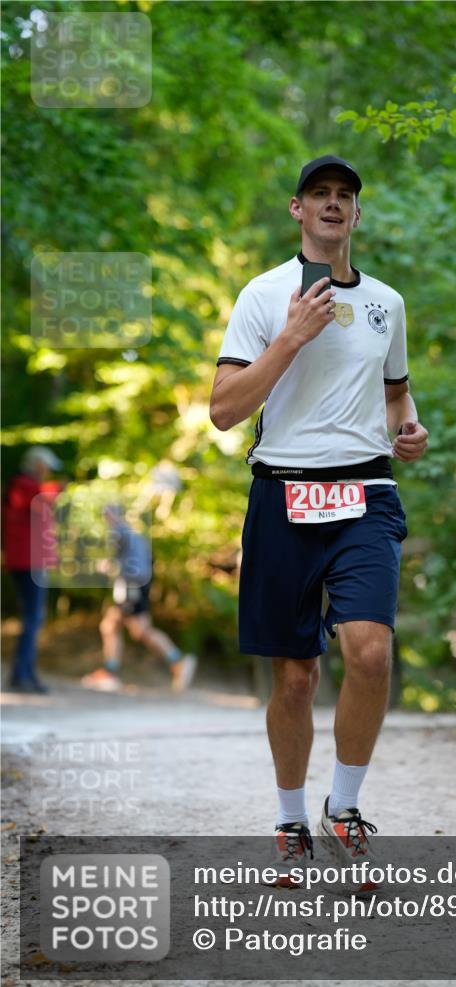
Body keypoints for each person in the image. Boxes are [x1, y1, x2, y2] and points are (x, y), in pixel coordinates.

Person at [209, 155, 428, 888]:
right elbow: (223, 411)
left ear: (356, 216)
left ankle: (345, 808)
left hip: (365, 493)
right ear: (297, 210)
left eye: (345, 197)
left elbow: (397, 394)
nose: (334, 205)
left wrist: (410, 427)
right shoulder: (264, 295)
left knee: (369, 653)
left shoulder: (386, 304)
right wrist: (290, 339)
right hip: (283, 495)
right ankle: (289, 819)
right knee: (295, 677)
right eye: (320, 195)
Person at [81, 505, 198, 693]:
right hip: (137, 585)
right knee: (113, 626)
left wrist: (107, 567)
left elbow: (122, 564)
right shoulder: (133, 534)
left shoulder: (120, 532)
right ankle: (112, 672)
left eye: (108, 514)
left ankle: (177, 662)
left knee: (137, 630)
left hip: (132, 586)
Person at [2, 446, 64, 694]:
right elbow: (39, 503)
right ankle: (23, 675)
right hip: (28, 562)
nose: (47, 472)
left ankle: (23, 673)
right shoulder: (23, 485)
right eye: (45, 467)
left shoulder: (24, 486)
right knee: (33, 619)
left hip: (29, 561)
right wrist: (57, 489)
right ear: (37, 464)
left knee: (33, 619)